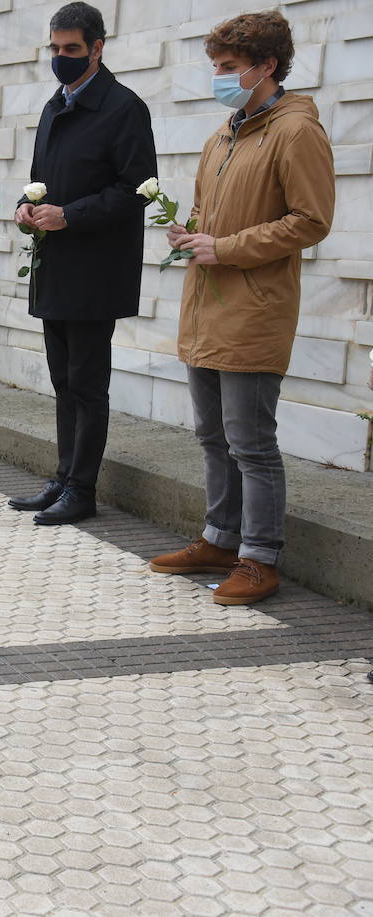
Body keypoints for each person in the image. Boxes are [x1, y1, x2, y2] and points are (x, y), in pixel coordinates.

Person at [149, 10, 335, 605]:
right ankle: (220, 538)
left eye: (228, 68)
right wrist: (191, 232)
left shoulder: (296, 130)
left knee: (251, 441)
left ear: (266, 67)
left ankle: (260, 558)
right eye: (217, 67)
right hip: (207, 305)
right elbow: (216, 216)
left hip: (254, 309)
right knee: (211, 435)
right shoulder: (225, 133)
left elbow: (312, 221)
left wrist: (224, 247)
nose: (219, 77)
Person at [1, 3, 158, 526]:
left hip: (95, 269)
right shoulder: (54, 105)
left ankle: (82, 489)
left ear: (97, 48)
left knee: (88, 383)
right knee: (63, 381)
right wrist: (26, 205)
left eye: (71, 49)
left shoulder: (124, 108)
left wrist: (70, 215)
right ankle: (64, 477)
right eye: (55, 49)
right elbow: (40, 173)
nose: (61, 58)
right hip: (55, 264)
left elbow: (135, 191)